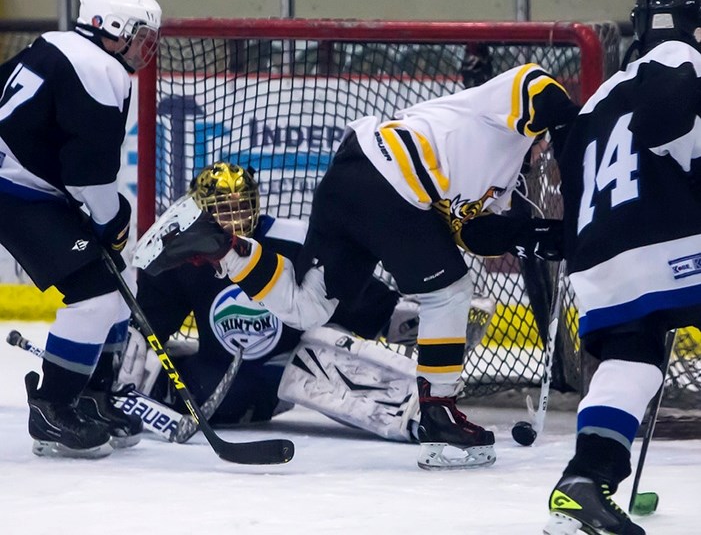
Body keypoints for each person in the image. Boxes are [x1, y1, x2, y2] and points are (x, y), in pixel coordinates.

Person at [134, 62, 578, 470]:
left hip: (351, 176)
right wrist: (578, 158)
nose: (543, 164)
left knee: (308, 306)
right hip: (394, 173)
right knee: (450, 292)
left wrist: (539, 238)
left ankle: (220, 246)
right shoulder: (511, 111)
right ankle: (439, 414)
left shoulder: (501, 186)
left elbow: (476, 235)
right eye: (544, 153)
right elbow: (543, 90)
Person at [542, 0, 701, 535]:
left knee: (632, 359)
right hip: (672, 246)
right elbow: (668, 123)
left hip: (602, 261)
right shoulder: (682, 56)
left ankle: (585, 481)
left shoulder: (598, 98)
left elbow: (575, 185)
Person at [121, 161, 433, 442]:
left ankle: (412, 407)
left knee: (318, 348)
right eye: (223, 211)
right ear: (201, 213)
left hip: (283, 373)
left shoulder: (293, 240)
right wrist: (127, 366)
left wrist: (397, 318)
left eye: (241, 208)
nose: (235, 219)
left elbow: (344, 291)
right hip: (215, 379)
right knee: (167, 378)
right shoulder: (185, 256)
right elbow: (152, 320)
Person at [0, 0, 161, 458]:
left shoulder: (52, 44)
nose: (142, 47)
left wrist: (111, 225)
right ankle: (53, 407)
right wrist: (110, 223)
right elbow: (88, 179)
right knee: (95, 293)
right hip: (14, 189)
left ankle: (93, 392)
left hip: (24, 185)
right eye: (138, 34)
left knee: (116, 271)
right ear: (111, 25)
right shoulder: (99, 69)